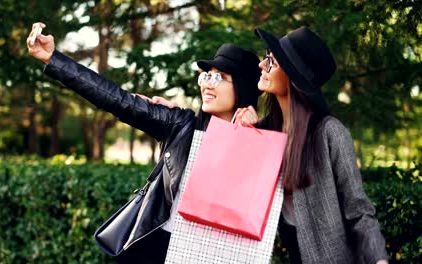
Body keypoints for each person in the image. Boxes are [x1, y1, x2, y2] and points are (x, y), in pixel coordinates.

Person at [150, 27, 389, 264]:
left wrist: (379, 259)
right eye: (266, 58)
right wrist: (178, 117)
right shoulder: (264, 132)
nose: (261, 66)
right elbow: (224, 174)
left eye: (272, 61)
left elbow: (359, 210)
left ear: (293, 77)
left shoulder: (329, 132)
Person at [26, 22, 261, 263]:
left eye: (219, 77)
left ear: (242, 87)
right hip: (160, 249)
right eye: (206, 75)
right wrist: (53, 59)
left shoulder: (262, 143)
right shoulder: (181, 126)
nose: (207, 84)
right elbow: (118, 100)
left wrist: (252, 136)